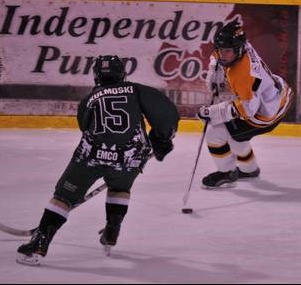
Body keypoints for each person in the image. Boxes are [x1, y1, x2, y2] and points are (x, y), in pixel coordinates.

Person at [16, 55, 179, 266]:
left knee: (64, 197)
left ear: (96, 76)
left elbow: (84, 126)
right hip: (129, 157)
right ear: (122, 74)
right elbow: (166, 115)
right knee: (120, 188)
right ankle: (112, 231)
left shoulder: (89, 99)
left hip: (91, 156)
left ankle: (39, 244)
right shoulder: (136, 90)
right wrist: (161, 139)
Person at [197, 19, 293, 189]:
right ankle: (249, 170)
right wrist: (214, 69)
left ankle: (227, 173)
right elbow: (219, 53)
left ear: (238, 49)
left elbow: (247, 110)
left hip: (266, 113)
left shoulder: (243, 75)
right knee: (237, 138)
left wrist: (213, 112)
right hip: (277, 95)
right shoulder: (241, 47)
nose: (223, 55)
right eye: (220, 50)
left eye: (227, 52)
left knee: (214, 132)